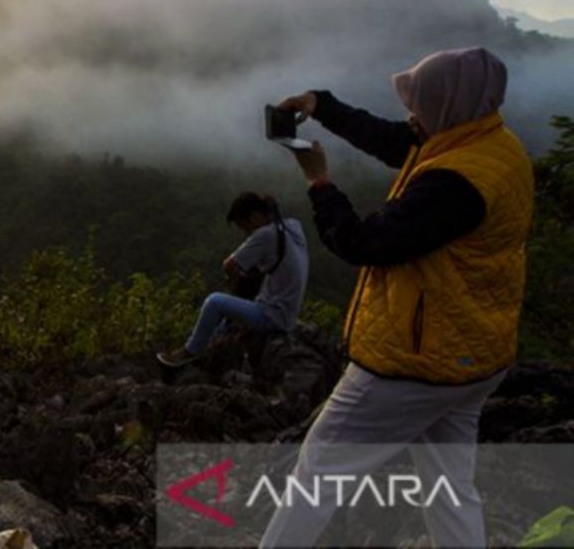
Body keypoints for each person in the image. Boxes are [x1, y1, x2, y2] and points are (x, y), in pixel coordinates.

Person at [260, 47, 533, 548]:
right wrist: (322, 103)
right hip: (472, 353)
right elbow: (394, 140)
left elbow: (365, 245)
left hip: (414, 361)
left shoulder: (457, 183)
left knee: (318, 470)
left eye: (421, 102)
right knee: (450, 489)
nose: (412, 114)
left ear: (449, 105)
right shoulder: (490, 142)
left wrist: (319, 182)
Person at [156, 192, 309, 368]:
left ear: (253, 218)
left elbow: (229, 265)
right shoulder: (293, 226)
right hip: (288, 315)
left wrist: (237, 280)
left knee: (214, 302)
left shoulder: (265, 235)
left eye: (245, 227)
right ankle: (214, 348)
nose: (247, 233)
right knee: (226, 319)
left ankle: (189, 353)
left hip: (272, 316)